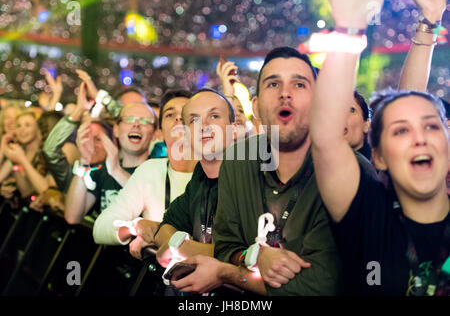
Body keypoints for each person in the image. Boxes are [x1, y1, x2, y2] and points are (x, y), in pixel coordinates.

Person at [174, 47, 344, 296]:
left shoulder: (348, 173)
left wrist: (229, 274)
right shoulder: (237, 161)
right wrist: (254, 256)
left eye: (299, 85)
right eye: (273, 84)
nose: (285, 94)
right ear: (256, 106)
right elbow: (224, 247)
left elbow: (320, 285)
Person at [310, 0, 449, 296]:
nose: (419, 137)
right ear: (379, 157)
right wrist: (349, 26)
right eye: (401, 131)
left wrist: (431, 18)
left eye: (431, 125)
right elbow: (326, 139)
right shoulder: (369, 214)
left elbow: (409, 101)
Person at [151, 88, 237, 294]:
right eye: (194, 120)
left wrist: (180, 248)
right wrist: (177, 243)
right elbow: (166, 226)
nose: (204, 126)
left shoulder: (251, 175)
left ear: (235, 130)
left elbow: (242, 255)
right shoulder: (200, 176)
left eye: (214, 116)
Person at [93, 89, 197, 259]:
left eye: (185, 113)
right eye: (170, 115)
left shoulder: (217, 173)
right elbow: (100, 228)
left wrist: (161, 235)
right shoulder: (151, 171)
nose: (178, 119)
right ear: (160, 132)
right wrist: (136, 227)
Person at [64, 101, 156, 224]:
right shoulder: (102, 172)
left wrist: (116, 171)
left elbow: (153, 210)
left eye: (145, 121)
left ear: (155, 134)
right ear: (116, 130)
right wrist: (84, 161)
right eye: (129, 119)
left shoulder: (159, 172)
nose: (136, 125)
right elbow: (72, 217)